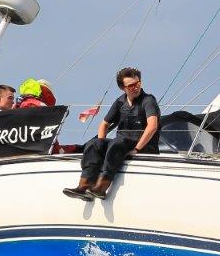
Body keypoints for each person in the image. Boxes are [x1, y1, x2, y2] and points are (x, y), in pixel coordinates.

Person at [63, 67, 160, 200]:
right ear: (123, 88)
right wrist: (101, 143)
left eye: (138, 83)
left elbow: (152, 126)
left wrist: (137, 149)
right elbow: (104, 124)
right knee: (94, 144)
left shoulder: (148, 100)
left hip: (143, 145)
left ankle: (101, 187)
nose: (136, 87)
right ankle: (84, 186)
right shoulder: (120, 102)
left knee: (117, 142)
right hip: (122, 143)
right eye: (131, 85)